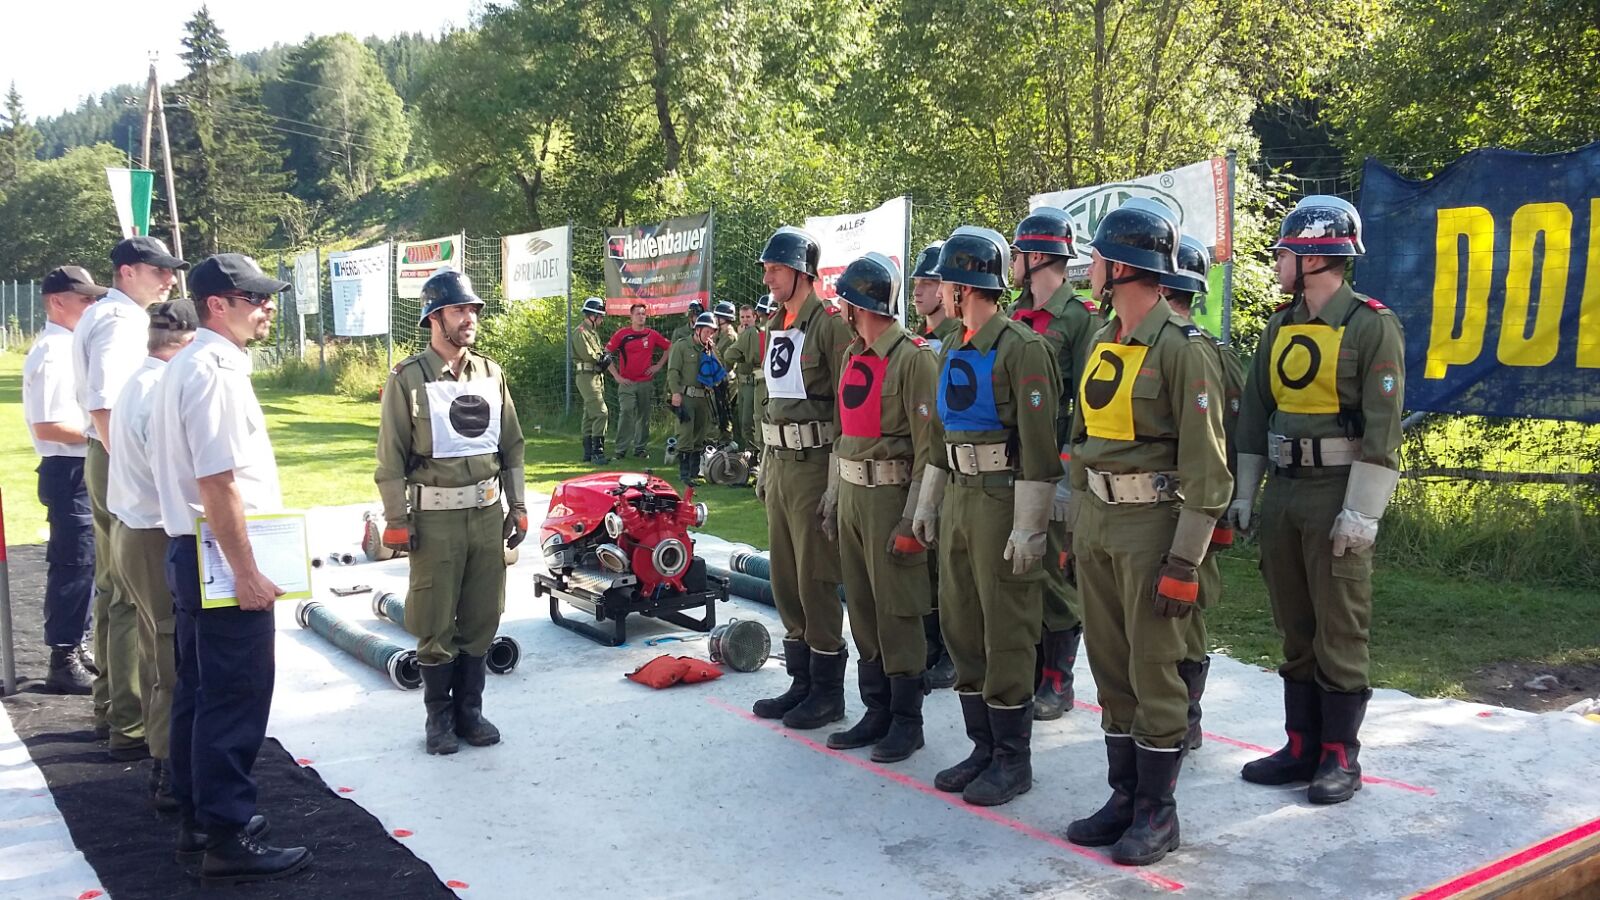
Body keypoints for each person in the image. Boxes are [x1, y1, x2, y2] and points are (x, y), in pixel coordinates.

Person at [1063, 199, 1230, 866]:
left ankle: (1158, 814)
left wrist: (1184, 563)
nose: (1090, 267)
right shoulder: (1103, 340)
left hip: (1153, 528)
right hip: (1100, 524)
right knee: (1109, 666)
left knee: (1154, 669)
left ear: (1124, 268)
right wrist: (1077, 529)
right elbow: (1083, 443)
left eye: (1098, 258)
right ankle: (1125, 796)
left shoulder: (1184, 351)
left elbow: (1209, 473)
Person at [1232, 195, 1404, 805]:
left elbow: (1383, 427)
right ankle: (1301, 745)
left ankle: (1339, 756)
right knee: (1295, 623)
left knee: (1340, 625)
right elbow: (1255, 412)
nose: (1278, 263)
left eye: (1285, 253)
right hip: (1285, 490)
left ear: (1313, 258)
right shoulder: (1280, 325)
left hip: (1337, 491)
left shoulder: (1371, 325)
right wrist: (1246, 491)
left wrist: (1362, 512)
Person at [149, 253, 310, 884]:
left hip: (194, 549)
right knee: (234, 698)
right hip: (218, 556)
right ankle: (226, 834)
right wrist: (245, 571)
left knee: (200, 691)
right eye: (256, 299)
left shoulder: (190, 364)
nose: (268, 308)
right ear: (218, 304)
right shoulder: (212, 371)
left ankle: (200, 820)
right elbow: (217, 482)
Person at [910, 226, 1058, 807]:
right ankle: (983, 746)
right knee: (962, 625)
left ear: (964, 286)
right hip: (958, 495)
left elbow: (1040, 448)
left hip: (1002, 498)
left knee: (1006, 628)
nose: (941, 292)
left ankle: (1012, 759)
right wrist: (928, 502)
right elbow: (939, 437)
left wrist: (1030, 526)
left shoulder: (1022, 347)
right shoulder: (951, 344)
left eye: (946, 282)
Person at [376, 270, 528, 757]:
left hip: (486, 515)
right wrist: (396, 519)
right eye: (460, 310)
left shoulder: (491, 374)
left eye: (473, 310)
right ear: (434, 317)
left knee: (483, 616)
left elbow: (512, 447)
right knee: (435, 618)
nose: (470, 318)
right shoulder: (408, 378)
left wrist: (518, 505)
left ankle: (470, 713)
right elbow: (390, 458)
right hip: (434, 520)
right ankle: (438, 719)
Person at [75, 235, 187, 758]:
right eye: (157, 270)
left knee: (115, 588)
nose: (168, 279)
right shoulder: (121, 321)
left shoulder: (107, 315)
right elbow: (104, 404)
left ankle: (113, 709)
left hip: (110, 452)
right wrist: (133, 470)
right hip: (116, 453)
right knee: (127, 594)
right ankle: (130, 719)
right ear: (127, 271)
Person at [825, 253, 938, 763]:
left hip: (891, 500)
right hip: (853, 498)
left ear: (860, 305)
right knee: (864, 609)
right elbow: (843, 435)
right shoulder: (853, 356)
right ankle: (877, 710)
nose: (841, 309)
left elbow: (930, 451)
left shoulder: (914, 359)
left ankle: (907, 721)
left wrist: (915, 518)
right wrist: (833, 495)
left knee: (898, 610)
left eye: (845, 301)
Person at [750, 226, 852, 729]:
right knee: (785, 578)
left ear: (801, 272)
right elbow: (772, 400)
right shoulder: (776, 325)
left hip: (815, 465)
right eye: (767, 270)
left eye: (776, 269)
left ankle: (828, 692)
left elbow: (848, 405)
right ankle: (801, 681)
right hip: (780, 463)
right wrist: (765, 464)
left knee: (816, 577)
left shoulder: (830, 326)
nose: (768, 278)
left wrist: (837, 481)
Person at [1009, 206, 1100, 721]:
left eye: (1018, 253)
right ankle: (1028, 669)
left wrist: (1071, 472)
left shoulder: (1080, 318)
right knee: (1019, 566)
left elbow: (1089, 399)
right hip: (1014, 458)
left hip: (1058, 459)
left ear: (1038, 257)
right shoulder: (1014, 313)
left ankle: (1057, 681)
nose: (1013, 262)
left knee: (1053, 570)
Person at [107, 299, 198, 814]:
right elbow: (173, 477)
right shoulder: (159, 390)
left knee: (154, 647)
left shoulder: (138, 382)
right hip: (153, 534)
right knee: (169, 655)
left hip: (134, 530)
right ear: (187, 341)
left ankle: (161, 754)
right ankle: (168, 767)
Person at [1158, 234, 1245, 749]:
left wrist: (1220, 516)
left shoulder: (1203, 352)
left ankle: (1185, 713)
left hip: (1188, 502)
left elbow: (1224, 438)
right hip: (1152, 502)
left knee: (1184, 611)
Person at [22, 266, 105, 695]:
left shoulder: (67, 347)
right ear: (57, 301)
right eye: (84, 299)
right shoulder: (54, 352)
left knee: (87, 563)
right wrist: (105, 435)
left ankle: (78, 645)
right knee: (74, 563)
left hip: (76, 466)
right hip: (68, 467)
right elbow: (49, 425)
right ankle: (64, 656)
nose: (92, 306)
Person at [908, 242, 957, 689]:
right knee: (924, 564)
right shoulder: (916, 343)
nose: (919, 291)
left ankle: (953, 653)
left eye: (928, 283)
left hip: (956, 469)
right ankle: (929, 645)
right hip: (923, 461)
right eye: (917, 283)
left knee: (948, 567)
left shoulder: (963, 337)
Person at [665, 311, 725, 485]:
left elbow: (718, 370)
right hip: (686, 396)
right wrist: (675, 392)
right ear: (697, 330)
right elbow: (673, 371)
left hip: (704, 398)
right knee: (685, 433)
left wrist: (712, 352)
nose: (709, 335)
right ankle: (684, 474)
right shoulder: (682, 346)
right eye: (707, 331)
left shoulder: (711, 349)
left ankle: (694, 472)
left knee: (700, 434)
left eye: (712, 332)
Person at [605, 303, 670, 458]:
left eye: (643, 314)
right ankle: (620, 450)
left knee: (644, 415)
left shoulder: (652, 334)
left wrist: (658, 366)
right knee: (627, 411)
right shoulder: (622, 334)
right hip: (626, 383)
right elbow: (605, 353)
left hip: (645, 382)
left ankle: (640, 449)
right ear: (631, 316)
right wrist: (616, 376)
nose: (641, 317)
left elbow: (670, 347)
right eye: (638, 314)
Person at [572, 296, 611, 464]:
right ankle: (597, 453)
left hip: (594, 376)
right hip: (586, 376)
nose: (602, 320)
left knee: (589, 415)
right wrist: (601, 359)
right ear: (592, 316)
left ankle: (588, 453)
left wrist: (603, 357)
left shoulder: (592, 333)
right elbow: (588, 355)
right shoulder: (581, 332)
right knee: (601, 413)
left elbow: (597, 353)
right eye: (600, 316)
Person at [723, 303, 763, 452]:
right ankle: (749, 451)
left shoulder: (754, 333)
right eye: (742, 317)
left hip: (754, 382)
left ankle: (754, 454)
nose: (745, 320)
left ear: (755, 317)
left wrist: (741, 337)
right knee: (742, 421)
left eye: (748, 317)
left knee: (748, 422)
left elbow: (731, 354)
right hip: (743, 383)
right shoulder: (744, 334)